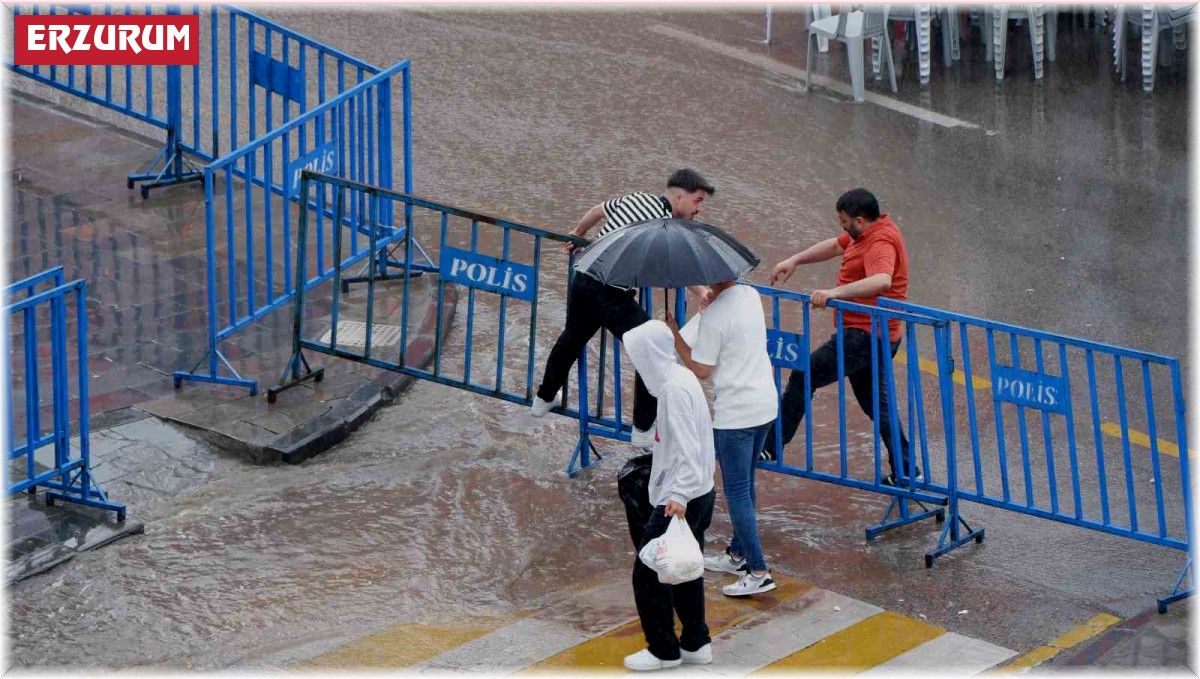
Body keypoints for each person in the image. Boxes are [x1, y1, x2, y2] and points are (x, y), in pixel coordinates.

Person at [531, 169, 716, 448]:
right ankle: (642, 428)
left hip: (583, 278)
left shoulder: (635, 198)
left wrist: (579, 233)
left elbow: (597, 210)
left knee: (571, 339)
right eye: (697, 201)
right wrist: (703, 291)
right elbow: (675, 270)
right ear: (679, 197)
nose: (699, 209)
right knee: (652, 348)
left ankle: (543, 399)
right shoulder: (665, 226)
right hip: (611, 293)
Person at [762, 188, 918, 486]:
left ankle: (771, 446)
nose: (842, 227)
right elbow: (835, 246)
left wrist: (833, 293)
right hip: (875, 334)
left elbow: (882, 280)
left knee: (803, 375)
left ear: (860, 220)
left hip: (865, 335)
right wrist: (794, 260)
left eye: (844, 221)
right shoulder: (868, 231)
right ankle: (907, 471)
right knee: (878, 405)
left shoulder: (881, 241)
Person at [666, 279, 779, 597]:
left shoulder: (715, 316)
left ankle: (758, 570)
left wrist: (674, 333)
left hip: (736, 415)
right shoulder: (751, 294)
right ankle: (737, 555)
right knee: (747, 483)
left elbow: (701, 369)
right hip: (765, 405)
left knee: (738, 491)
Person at [620, 320, 717, 671]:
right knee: (685, 569)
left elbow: (688, 448)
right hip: (700, 492)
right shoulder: (679, 379)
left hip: (681, 498)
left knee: (648, 571)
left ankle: (663, 649)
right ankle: (695, 641)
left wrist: (676, 495)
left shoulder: (674, 391)